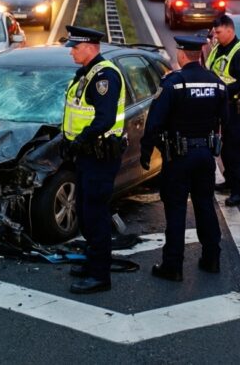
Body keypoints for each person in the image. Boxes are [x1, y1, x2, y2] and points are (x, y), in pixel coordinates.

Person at [140, 35, 228, 281]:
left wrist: (147, 152)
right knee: (205, 206)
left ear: (181, 54)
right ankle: (212, 259)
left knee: (176, 210)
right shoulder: (217, 83)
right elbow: (227, 121)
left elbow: (154, 123)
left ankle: (173, 266)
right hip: (205, 156)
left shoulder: (173, 83)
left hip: (178, 157)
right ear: (199, 54)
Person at [60, 25, 127, 295]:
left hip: (100, 156)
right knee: (86, 214)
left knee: (96, 215)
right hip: (87, 156)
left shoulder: (105, 77)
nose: (72, 52)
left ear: (90, 47)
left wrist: (80, 140)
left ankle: (100, 276)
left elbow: (105, 119)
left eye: (75, 47)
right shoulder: (87, 73)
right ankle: (92, 262)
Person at [205, 15, 240, 206]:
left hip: (235, 107)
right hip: (220, 105)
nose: (215, 36)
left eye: (218, 32)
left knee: (232, 148)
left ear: (229, 30)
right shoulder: (218, 48)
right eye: (214, 33)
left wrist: (220, 90)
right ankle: (229, 180)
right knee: (224, 147)